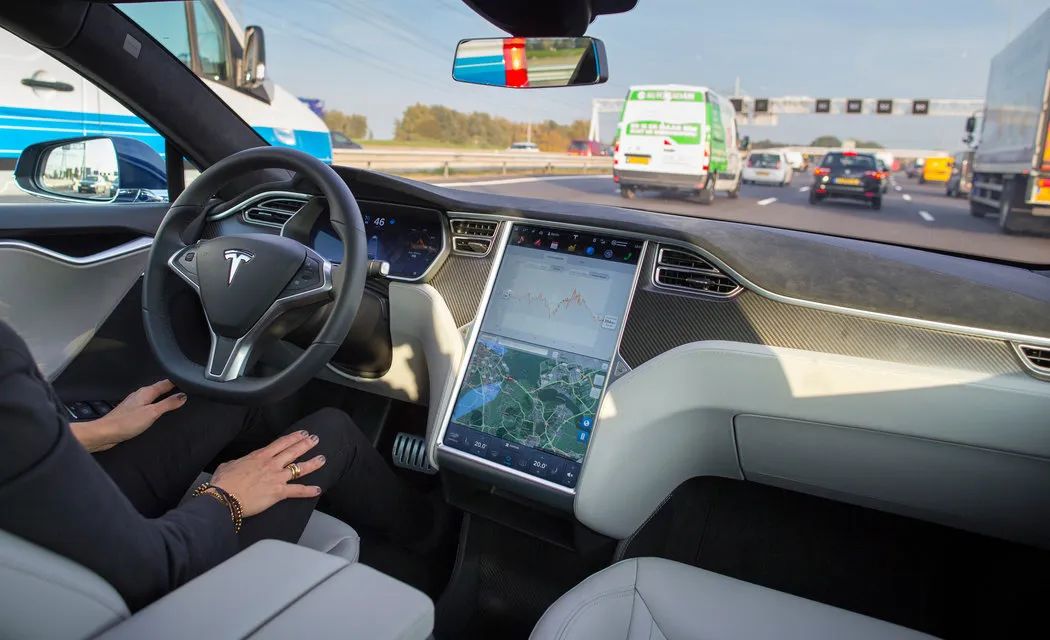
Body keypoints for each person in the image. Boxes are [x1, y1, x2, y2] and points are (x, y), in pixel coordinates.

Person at [0, 319, 437, 611]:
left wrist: (102, 430)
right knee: (331, 433)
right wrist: (227, 497)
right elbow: (152, 571)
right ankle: (433, 540)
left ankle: (294, 506)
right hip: (131, 597)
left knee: (225, 397)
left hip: (37, 532)